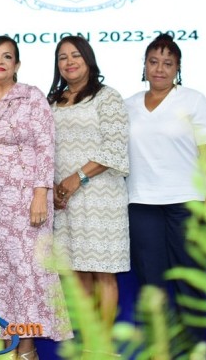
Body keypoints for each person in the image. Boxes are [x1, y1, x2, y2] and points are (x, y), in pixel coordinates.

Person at [0, 36, 72, 360]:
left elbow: (46, 146)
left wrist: (41, 193)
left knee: (27, 273)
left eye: (7, 56)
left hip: (27, 201)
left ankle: (27, 350)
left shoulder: (31, 96)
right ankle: (4, 348)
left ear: (17, 64)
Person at [125, 34, 206, 337]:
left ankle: (194, 347)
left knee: (189, 280)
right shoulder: (128, 105)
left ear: (177, 68)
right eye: (153, 61)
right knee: (151, 281)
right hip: (142, 203)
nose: (160, 69)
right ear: (144, 65)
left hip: (187, 201)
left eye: (168, 63)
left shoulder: (193, 100)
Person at [49, 35, 129, 329]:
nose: (69, 62)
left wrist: (77, 178)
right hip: (64, 200)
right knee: (76, 270)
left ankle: (103, 345)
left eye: (75, 55)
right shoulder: (52, 101)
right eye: (63, 57)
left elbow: (114, 148)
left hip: (100, 197)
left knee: (103, 272)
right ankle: (88, 341)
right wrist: (53, 187)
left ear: (88, 59)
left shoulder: (107, 97)